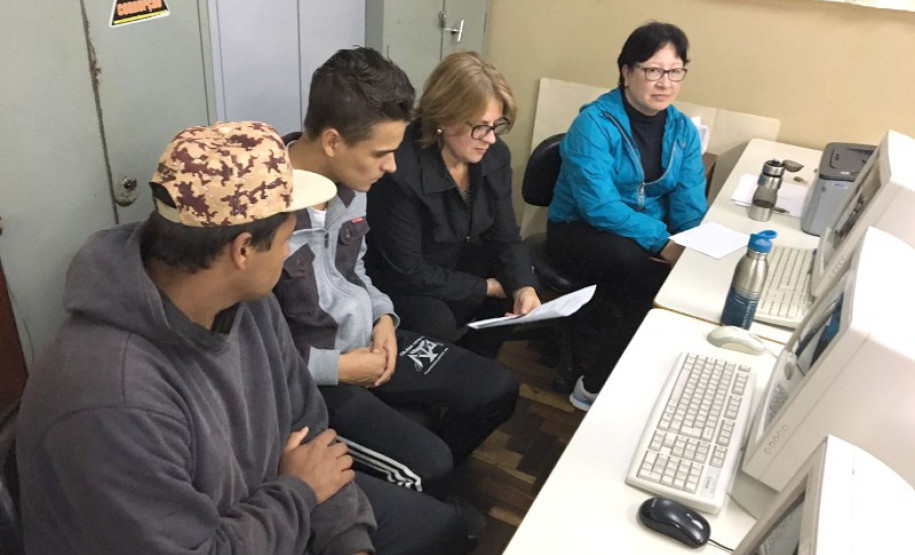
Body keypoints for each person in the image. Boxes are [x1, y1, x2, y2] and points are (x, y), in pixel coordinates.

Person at [15, 121, 388, 553]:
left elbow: (311, 436)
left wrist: (347, 540)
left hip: (269, 517)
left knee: (434, 527)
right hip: (258, 522)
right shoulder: (112, 397)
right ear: (243, 249)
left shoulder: (248, 301)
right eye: (286, 239)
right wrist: (297, 492)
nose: (287, 253)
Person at [276, 48, 518, 547]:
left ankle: (430, 488)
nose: (392, 168)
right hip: (321, 378)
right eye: (381, 154)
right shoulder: (266, 217)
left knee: (495, 388)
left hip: (373, 341)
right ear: (333, 140)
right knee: (430, 466)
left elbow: (357, 268)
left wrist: (384, 318)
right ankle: (427, 494)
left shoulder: (348, 183)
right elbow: (261, 353)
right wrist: (343, 370)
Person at [546, 22, 708, 411]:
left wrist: (693, 245)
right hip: (577, 230)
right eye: (653, 70)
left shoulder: (683, 130)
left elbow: (689, 203)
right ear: (626, 71)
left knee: (683, 276)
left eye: (675, 71)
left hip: (640, 235)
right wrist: (661, 243)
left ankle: (647, 373)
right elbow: (598, 207)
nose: (665, 82)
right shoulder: (594, 124)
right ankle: (593, 385)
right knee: (645, 277)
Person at [364, 51, 541, 357]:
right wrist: (484, 287)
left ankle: (474, 365)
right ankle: (442, 379)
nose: (490, 139)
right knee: (437, 322)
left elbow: (506, 236)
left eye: (496, 125)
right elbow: (408, 271)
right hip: (399, 279)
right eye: (481, 127)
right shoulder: (400, 169)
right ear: (445, 118)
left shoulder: (493, 155)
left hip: (454, 258)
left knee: (514, 289)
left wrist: (524, 287)